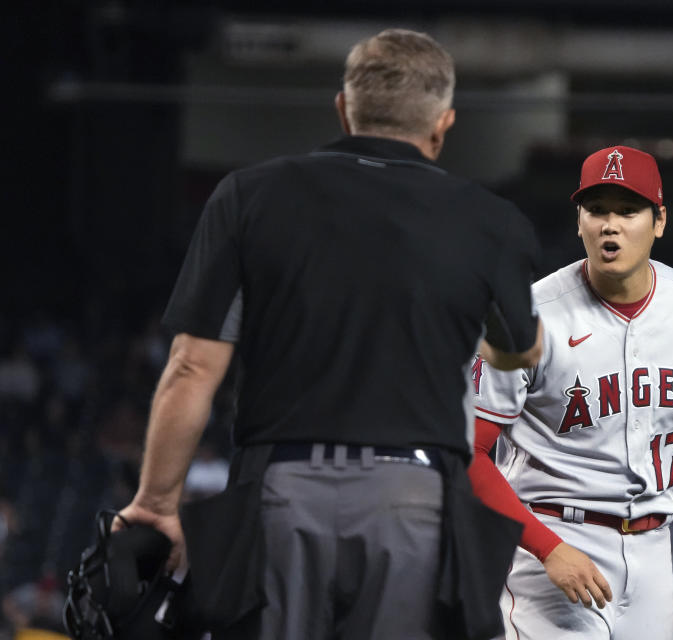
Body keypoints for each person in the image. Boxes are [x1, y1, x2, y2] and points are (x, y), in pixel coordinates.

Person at [114, 28, 543, 640]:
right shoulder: (493, 222)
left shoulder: (248, 196)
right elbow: (516, 349)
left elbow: (191, 368)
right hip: (413, 497)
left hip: (281, 496)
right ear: (443, 124)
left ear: (343, 109)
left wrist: (157, 504)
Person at [468, 145, 673, 639]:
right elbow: (469, 454)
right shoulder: (527, 314)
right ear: (578, 221)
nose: (611, 225)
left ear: (659, 221)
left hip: (652, 555)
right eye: (597, 210)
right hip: (551, 545)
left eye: (628, 211)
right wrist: (546, 548)